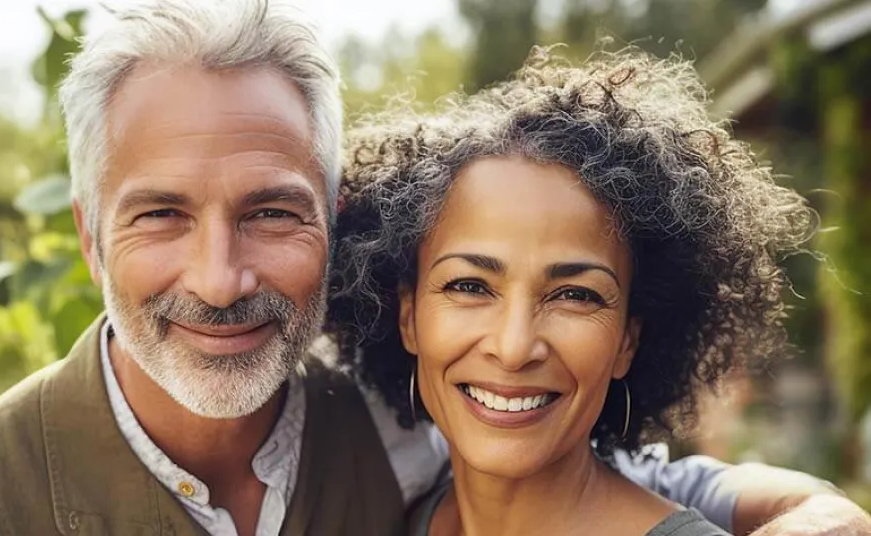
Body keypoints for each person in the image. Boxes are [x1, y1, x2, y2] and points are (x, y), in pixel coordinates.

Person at [0, 1, 868, 535]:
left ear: (331, 223)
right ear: (87, 237)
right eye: (160, 214)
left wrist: (817, 514)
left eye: (270, 213)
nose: (219, 275)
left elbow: (621, 488)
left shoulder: (406, 412)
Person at [326, 47, 867, 536]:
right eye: (470, 285)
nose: (514, 347)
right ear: (408, 316)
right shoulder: (403, 510)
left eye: (575, 295)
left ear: (628, 341)